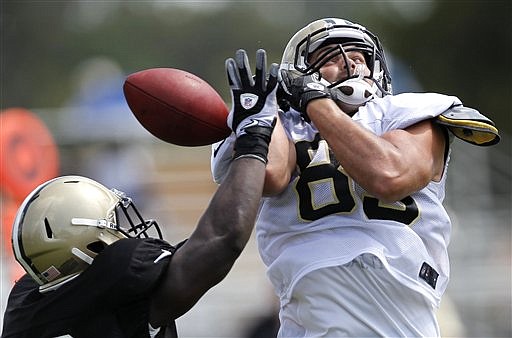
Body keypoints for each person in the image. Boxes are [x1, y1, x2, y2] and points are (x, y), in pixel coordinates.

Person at [211, 18, 500, 337]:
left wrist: (315, 102)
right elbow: (268, 179)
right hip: (306, 297)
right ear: (299, 74)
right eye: (330, 59)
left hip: (392, 296)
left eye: (359, 57)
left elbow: (390, 175)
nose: (349, 62)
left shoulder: (407, 111)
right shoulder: (289, 124)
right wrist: (262, 118)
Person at [1, 49, 279, 338]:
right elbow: (224, 238)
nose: (123, 229)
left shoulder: (24, 311)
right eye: (111, 222)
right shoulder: (118, 293)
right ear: (84, 246)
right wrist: (253, 139)